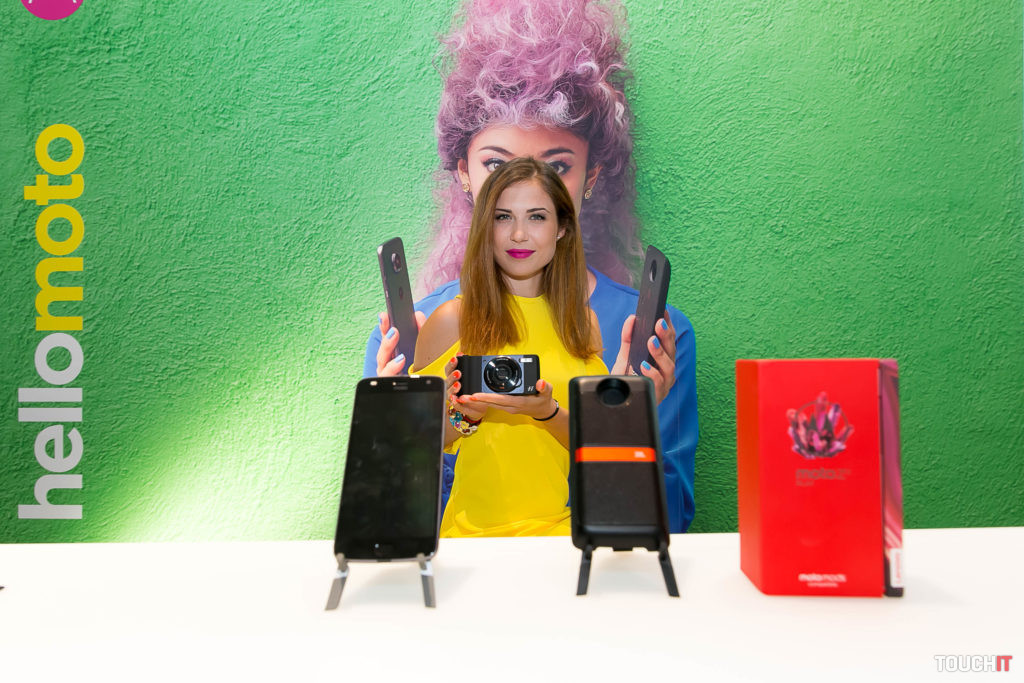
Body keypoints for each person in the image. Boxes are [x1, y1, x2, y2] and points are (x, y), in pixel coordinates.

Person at [363, 0, 698, 532]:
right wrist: (394, 422)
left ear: (590, 179)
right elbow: (385, 510)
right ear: (464, 175)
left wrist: (627, 418)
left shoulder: (649, 338)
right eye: (497, 165)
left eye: (555, 168)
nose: (523, 198)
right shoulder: (421, 332)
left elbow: (666, 523)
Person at [412, 157, 607, 536]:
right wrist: (465, 416)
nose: (519, 234)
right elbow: (413, 445)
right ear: (486, 227)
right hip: (471, 538)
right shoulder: (453, 319)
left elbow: (597, 444)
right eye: (503, 217)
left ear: (562, 228)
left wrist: (546, 412)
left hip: (558, 535)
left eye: (537, 217)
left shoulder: (582, 325)